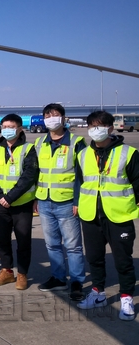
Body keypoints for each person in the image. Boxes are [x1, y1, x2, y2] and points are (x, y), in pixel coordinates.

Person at [74, 111, 139, 320]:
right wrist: (78, 204)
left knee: (123, 260)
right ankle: (98, 292)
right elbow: (80, 181)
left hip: (119, 215)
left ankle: (127, 296)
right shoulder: (83, 154)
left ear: (111, 128)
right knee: (94, 258)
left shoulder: (128, 153)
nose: (96, 130)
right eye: (92, 126)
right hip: (90, 214)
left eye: (100, 125)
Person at [34, 103, 86, 301]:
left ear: (63, 118)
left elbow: (82, 174)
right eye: (47, 115)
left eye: (55, 115)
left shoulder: (76, 142)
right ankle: (58, 277)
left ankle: (76, 281)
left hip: (67, 202)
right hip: (45, 201)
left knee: (73, 245)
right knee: (52, 244)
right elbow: (36, 173)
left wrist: (78, 200)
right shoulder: (40, 143)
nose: (51, 118)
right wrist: (35, 199)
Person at [0, 114, 39, 290]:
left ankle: (22, 274)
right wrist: (0, 195)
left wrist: (10, 197)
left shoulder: (28, 149)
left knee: (23, 241)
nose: (7, 129)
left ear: (19, 128)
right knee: (2, 239)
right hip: (0, 204)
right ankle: (7, 271)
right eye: (4, 126)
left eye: (11, 126)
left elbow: (29, 176)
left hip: (21, 204)